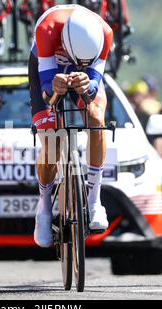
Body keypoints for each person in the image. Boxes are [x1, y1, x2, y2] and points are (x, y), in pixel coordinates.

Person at [29, 4, 113, 247]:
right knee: (51, 137)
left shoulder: (105, 33)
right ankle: (44, 207)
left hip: (83, 70)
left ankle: (95, 200)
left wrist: (88, 84)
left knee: (96, 117)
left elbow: (95, 84)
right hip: (49, 69)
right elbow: (47, 94)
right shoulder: (47, 28)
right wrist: (54, 88)